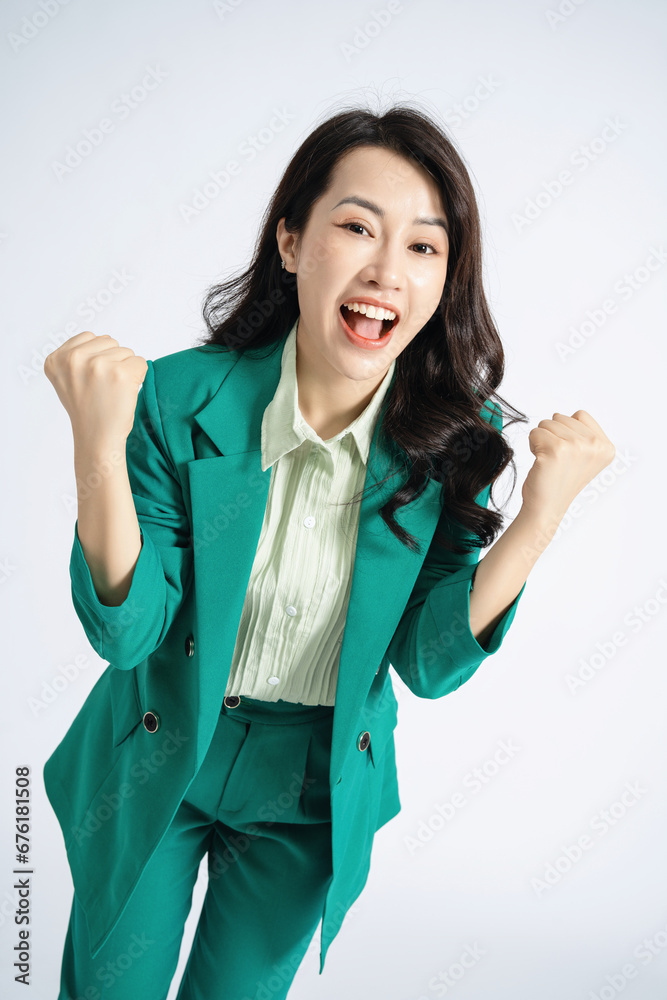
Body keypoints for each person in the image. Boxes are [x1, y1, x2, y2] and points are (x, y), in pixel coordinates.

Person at [42, 102, 615, 999]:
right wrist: (96, 451)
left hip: (307, 788)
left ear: (445, 279)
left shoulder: (447, 446)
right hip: (157, 748)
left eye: (425, 247)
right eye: (356, 227)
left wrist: (538, 518)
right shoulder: (173, 398)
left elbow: (426, 664)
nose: (387, 270)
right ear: (290, 242)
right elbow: (128, 631)